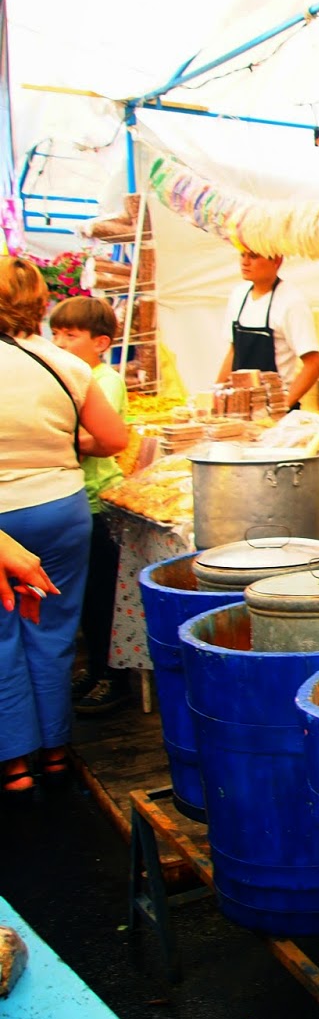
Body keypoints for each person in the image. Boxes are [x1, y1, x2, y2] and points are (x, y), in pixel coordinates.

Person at [0, 258, 129, 794]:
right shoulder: (66, 364)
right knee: (51, 629)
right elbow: (114, 438)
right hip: (60, 505)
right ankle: (56, 749)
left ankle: (14, 762)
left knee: (3, 634)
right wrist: (56, 446)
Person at [48, 296, 131, 715]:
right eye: (56, 333)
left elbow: (103, 438)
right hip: (76, 498)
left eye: (71, 335)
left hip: (98, 504)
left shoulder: (104, 380)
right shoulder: (65, 375)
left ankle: (114, 678)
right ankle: (97, 668)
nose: (60, 342)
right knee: (84, 599)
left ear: (101, 342)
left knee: (101, 598)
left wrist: (51, 437)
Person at [216, 248, 319, 411]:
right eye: (242, 255)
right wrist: (216, 395)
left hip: (275, 409)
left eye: (253, 256)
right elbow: (233, 352)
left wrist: (281, 407)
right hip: (240, 409)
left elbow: (313, 365)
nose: (245, 262)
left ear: (276, 261)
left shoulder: (291, 302)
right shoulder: (238, 295)